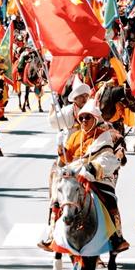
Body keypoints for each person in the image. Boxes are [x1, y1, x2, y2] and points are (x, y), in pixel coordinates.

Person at [54, 100, 128, 253]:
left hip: (97, 176)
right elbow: (65, 160)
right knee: (57, 198)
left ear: (95, 118)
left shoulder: (103, 135)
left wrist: (90, 168)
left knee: (110, 200)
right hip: (75, 174)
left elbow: (107, 158)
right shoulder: (75, 136)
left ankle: (117, 237)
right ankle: (51, 233)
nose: (83, 121)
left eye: (87, 118)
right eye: (81, 118)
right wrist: (61, 149)